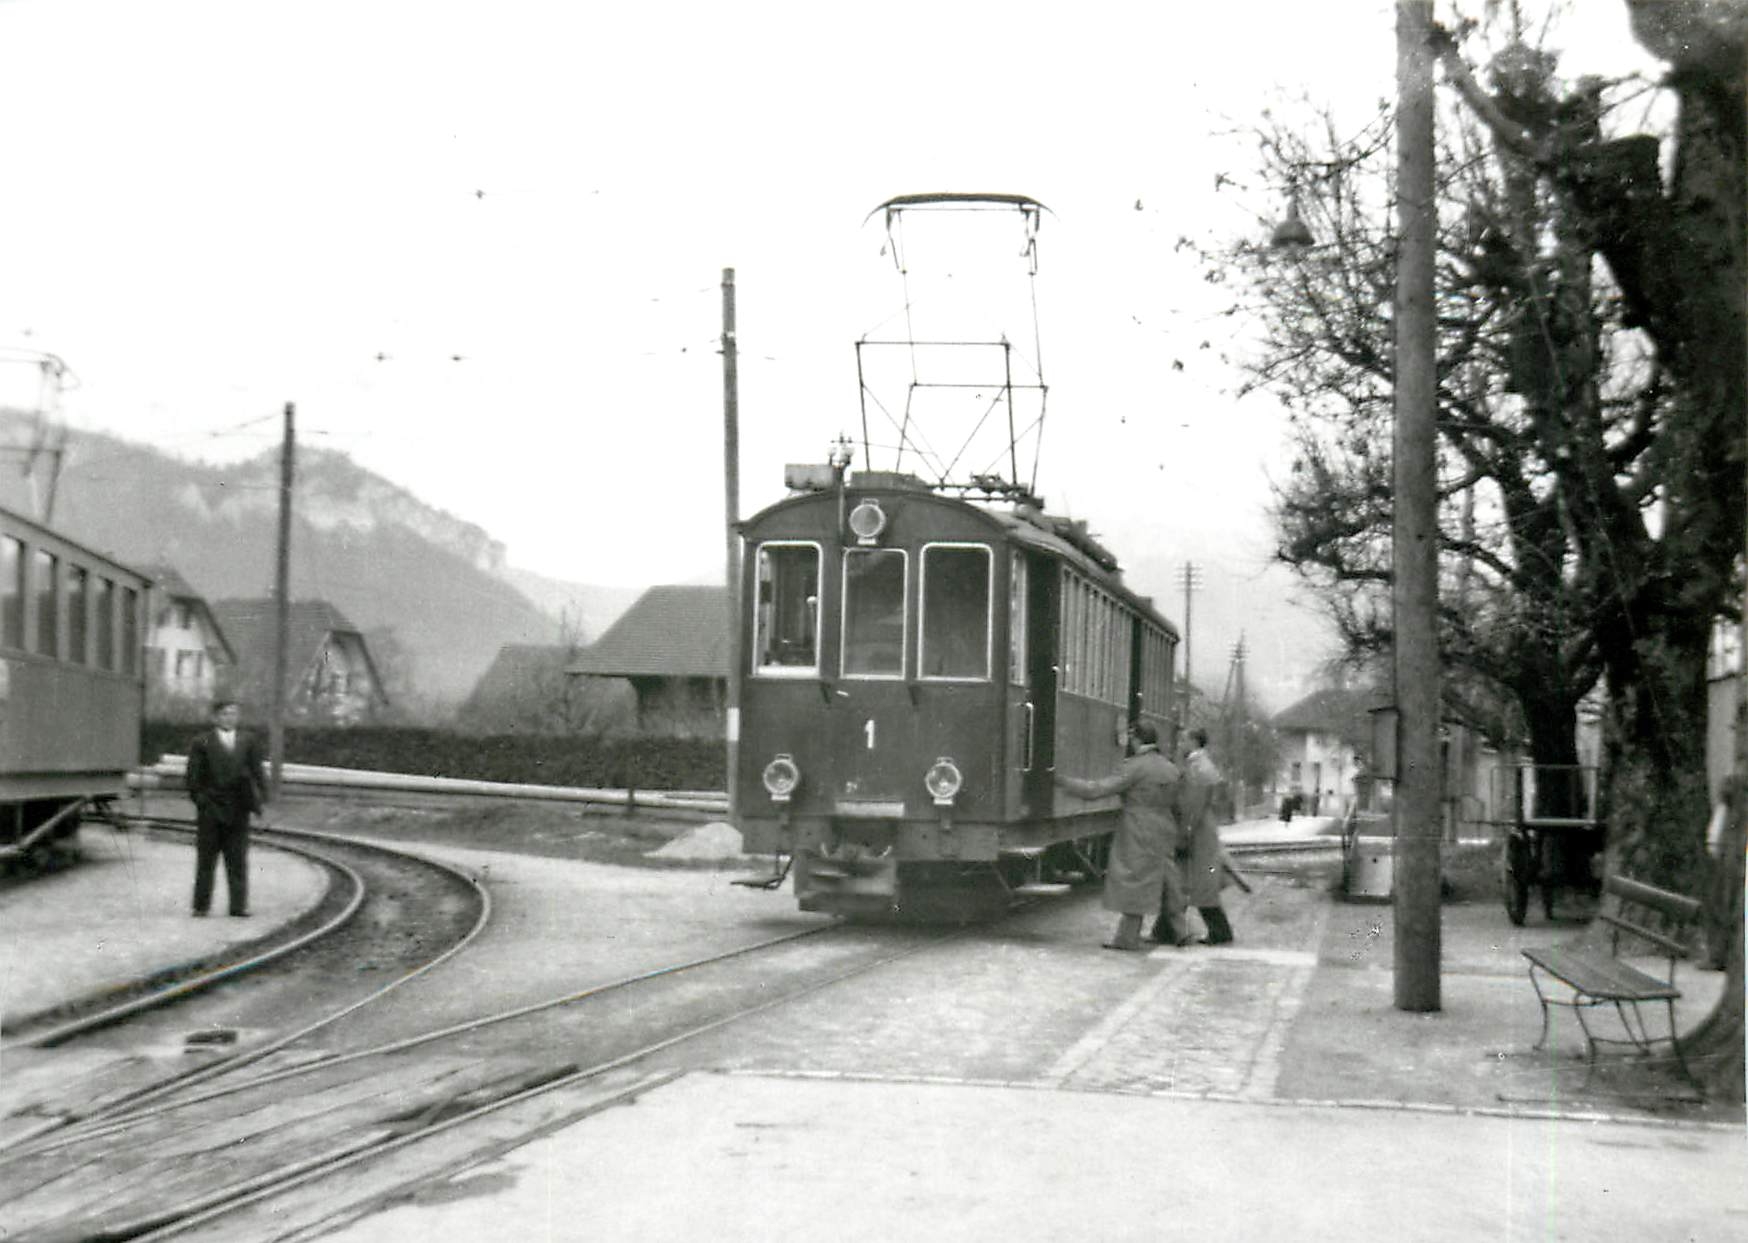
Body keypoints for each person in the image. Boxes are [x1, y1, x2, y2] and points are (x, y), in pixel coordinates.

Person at [1054, 721, 1184, 951]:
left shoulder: (1135, 767)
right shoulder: (1170, 768)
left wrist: (1063, 782)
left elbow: (1097, 790)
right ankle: (1181, 930)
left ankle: (1127, 938)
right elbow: (1180, 805)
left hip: (1138, 827)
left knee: (1135, 880)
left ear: (1136, 740)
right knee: (1166, 880)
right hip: (1165, 826)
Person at [185, 698, 268, 918]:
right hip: (210, 810)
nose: (229, 718)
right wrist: (202, 802)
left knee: (238, 859)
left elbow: (258, 772)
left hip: (239, 809)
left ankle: (238, 906)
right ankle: (201, 906)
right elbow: (192, 778)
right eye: (224, 714)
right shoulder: (201, 742)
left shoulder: (248, 741)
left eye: (233, 714)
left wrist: (261, 800)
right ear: (215, 717)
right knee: (206, 860)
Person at [1180, 729, 1236, 945]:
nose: (1180, 742)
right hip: (1205, 827)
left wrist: (1185, 833)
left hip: (1199, 830)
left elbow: (1193, 805)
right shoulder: (1204, 765)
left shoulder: (1197, 768)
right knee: (1196, 882)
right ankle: (1166, 928)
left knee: (1201, 884)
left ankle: (1220, 932)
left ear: (1194, 741)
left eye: (1184, 739)